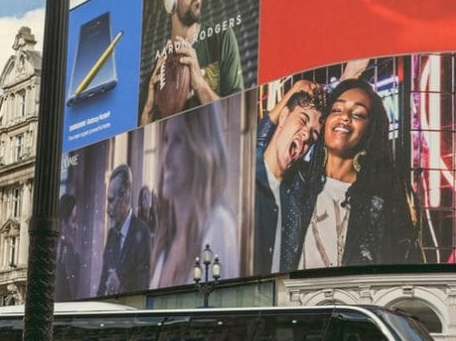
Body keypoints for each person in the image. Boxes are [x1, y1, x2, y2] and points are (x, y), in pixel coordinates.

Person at [285, 78, 420, 271]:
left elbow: (406, 265)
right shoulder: (296, 183)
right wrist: (294, 91)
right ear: (324, 122)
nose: (345, 117)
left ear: (370, 131)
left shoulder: (382, 201)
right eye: (337, 110)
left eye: (358, 114)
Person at [140, 0, 243, 125]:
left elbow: (237, 121)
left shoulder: (221, 38)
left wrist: (200, 85)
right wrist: (147, 115)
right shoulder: (155, 75)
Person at [149, 105, 240, 289]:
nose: (165, 158)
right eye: (167, 140)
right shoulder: (165, 242)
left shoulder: (218, 226)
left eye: (178, 140)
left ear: (199, 147)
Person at [254, 79, 324, 274]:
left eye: (313, 135)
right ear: (283, 117)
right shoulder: (244, 176)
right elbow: (259, 137)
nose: (305, 135)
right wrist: (293, 90)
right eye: (302, 120)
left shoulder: (299, 194)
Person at [97, 164, 153, 295]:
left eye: (111, 200)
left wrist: (119, 289)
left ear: (125, 196)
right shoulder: (111, 235)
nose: (107, 209)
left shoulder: (143, 232)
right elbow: (101, 288)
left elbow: (144, 292)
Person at [55, 193, 84, 301]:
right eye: (73, 220)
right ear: (63, 223)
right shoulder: (56, 255)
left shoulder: (74, 258)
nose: (76, 227)